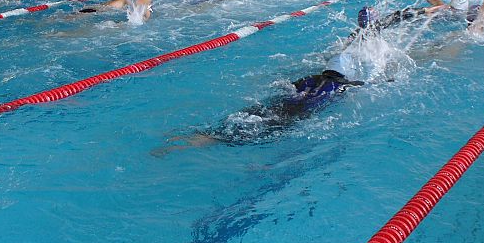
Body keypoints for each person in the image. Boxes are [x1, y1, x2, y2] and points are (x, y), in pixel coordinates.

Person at [156, 54, 364, 152]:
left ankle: (182, 138)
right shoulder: (344, 86)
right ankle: (182, 147)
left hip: (276, 104)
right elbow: (367, 85)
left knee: (231, 126)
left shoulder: (309, 78)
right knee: (235, 137)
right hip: (293, 115)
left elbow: (287, 86)